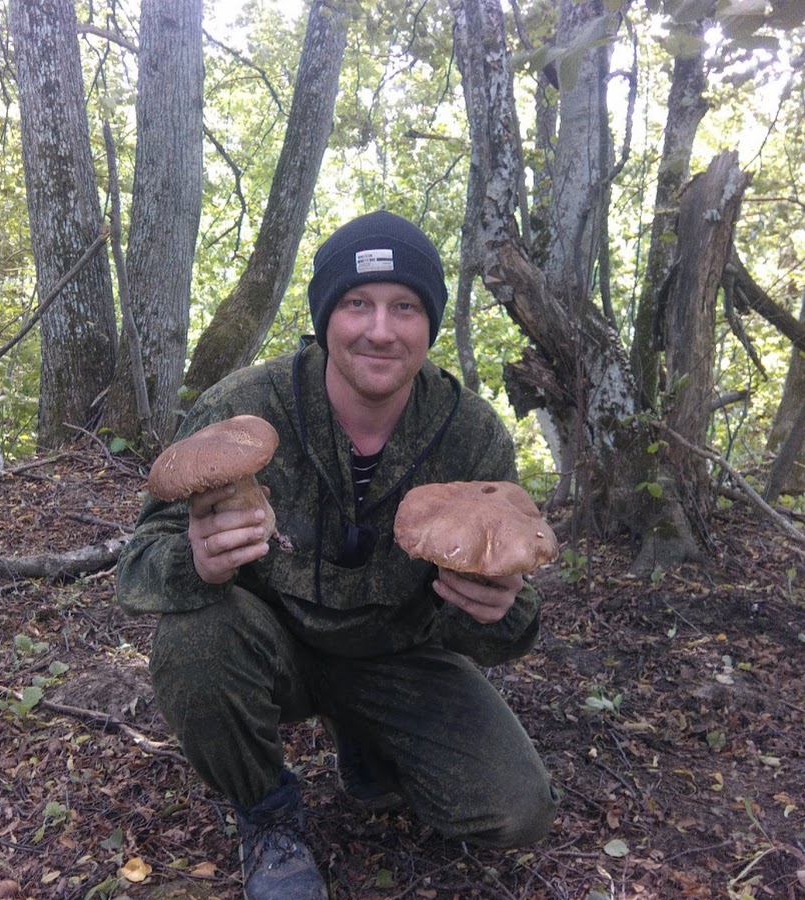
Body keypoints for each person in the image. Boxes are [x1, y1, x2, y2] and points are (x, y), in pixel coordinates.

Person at [116, 210, 559, 900]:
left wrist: (500, 607)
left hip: (397, 658)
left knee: (514, 811)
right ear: (327, 315)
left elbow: (507, 623)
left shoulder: (469, 435)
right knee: (194, 637)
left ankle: (368, 740)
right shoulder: (243, 409)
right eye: (357, 303)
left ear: (430, 323)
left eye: (404, 307)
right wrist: (194, 564)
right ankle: (266, 815)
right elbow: (139, 565)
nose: (380, 330)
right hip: (273, 648)